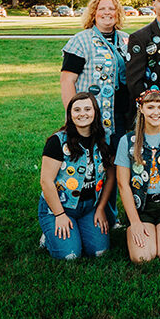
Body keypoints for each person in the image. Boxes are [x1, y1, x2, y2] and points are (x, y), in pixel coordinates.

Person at [38, 92, 116, 260]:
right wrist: (59, 215)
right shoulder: (57, 142)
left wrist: (101, 208)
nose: (82, 114)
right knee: (70, 255)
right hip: (59, 207)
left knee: (99, 252)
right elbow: (46, 182)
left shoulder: (105, 139)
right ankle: (49, 234)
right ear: (70, 114)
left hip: (89, 206)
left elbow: (110, 176)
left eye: (88, 109)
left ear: (95, 112)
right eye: (77, 110)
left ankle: (78, 228)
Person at [115, 90, 160, 263]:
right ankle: (143, 228)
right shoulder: (128, 141)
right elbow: (123, 184)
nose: (155, 112)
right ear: (141, 109)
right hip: (141, 207)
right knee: (142, 257)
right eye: (150, 107)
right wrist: (134, 222)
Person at [60, 0, 131, 145]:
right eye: (102, 9)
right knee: (93, 157)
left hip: (121, 114)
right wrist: (73, 115)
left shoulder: (126, 40)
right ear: (94, 13)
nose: (107, 12)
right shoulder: (80, 41)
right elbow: (67, 81)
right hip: (91, 114)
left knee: (117, 159)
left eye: (112, 9)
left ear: (117, 13)